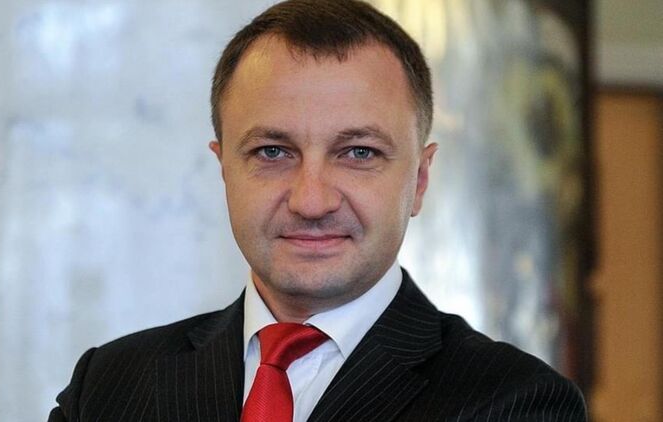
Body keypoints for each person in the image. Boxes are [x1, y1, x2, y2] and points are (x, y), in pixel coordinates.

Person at [48, 1, 587, 421]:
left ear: (420, 180)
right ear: (223, 169)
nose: (311, 201)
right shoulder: (108, 386)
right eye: (272, 152)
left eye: (359, 153)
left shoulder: (515, 402)